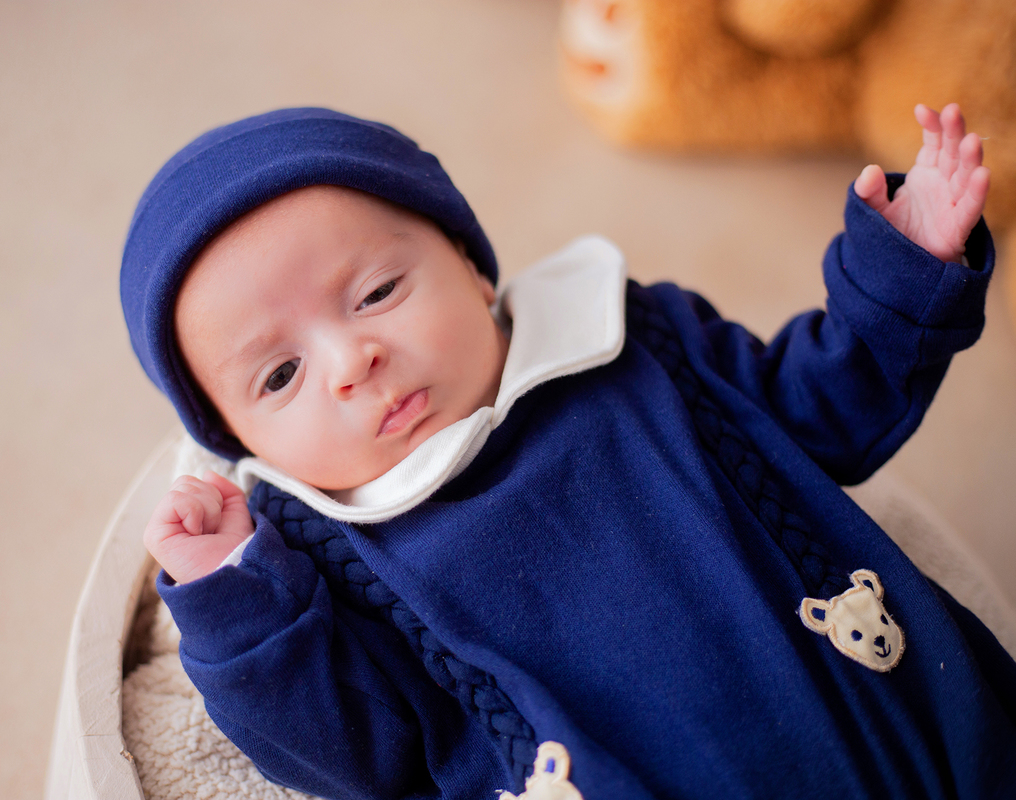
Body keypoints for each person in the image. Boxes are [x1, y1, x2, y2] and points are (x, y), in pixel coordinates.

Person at [119, 106, 1015, 799]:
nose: (353, 362)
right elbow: (350, 754)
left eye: (378, 291)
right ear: (239, 442)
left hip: (889, 730)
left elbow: (820, 412)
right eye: (280, 376)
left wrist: (900, 270)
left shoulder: (630, 340)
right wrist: (233, 602)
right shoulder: (317, 557)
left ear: (473, 268)